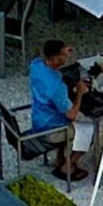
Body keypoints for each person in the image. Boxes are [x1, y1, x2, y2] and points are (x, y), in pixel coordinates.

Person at [29, 40, 94, 183]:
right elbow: (71, 114)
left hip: (39, 119)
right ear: (55, 59)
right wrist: (80, 94)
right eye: (63, 56)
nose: (66, 58)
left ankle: (60, 157)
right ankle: (68, 166)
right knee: (89, 129)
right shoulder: (56, 87)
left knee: (65, 118)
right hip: (51, 129)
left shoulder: (36, 65)